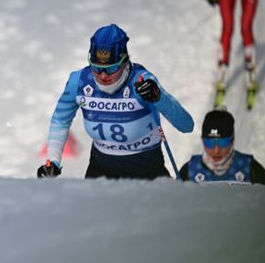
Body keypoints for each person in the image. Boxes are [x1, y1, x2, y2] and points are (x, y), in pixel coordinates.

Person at [37, 23, 194, 180]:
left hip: (146, 170)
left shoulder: (142, 81)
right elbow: (60, 120)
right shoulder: (79, 81)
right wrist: (53, 161)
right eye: (97, 67)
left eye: (111, 68)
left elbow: (187, 125)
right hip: (101, 170)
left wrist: (160, 99)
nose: (103, 75)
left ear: (124, 61)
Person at [179, 108, 265, 187]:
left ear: (232, 141)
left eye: (223, 142)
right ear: (202, 141)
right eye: (209, 142)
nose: (216, 150)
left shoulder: (250, 168)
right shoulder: (189, 171)